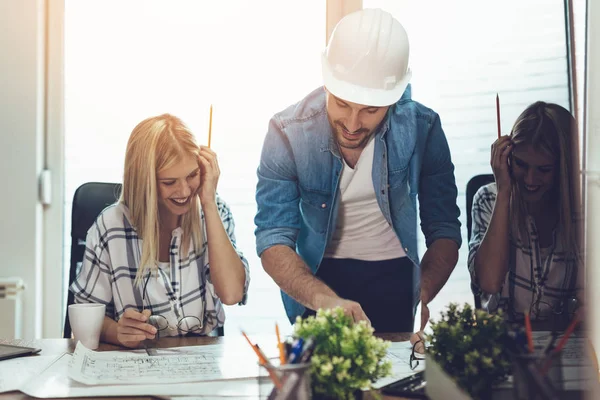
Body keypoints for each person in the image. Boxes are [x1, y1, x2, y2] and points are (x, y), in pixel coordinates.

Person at [254, 8, 461, 334]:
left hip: (398, 281)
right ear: (326, 83)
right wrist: (324, 301)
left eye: (370, 110)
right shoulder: (286, 133)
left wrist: (422, 295)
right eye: (342, 103)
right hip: (317, 284)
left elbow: (445, 231)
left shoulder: (424, 128)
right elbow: (273, 239)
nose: (352, 124)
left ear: (393, 99)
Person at [70, 114, 249, 348]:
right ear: (144, 181)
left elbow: (232, 294)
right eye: (169, 182)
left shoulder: (213, 211)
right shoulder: (110, 226)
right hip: (135, 364)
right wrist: (116, 331)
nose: (184, 190)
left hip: (199, 359)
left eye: (192, 175)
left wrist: (208, 202)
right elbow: (86, 318)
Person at [468, 101, 583, 323]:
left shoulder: (584, 207)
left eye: (544, 170)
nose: (530, 179)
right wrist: (504, 192)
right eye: (521, 164)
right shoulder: (488, 198)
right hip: (506, 342)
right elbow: (490, 282)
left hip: (566, 341)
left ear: (563, 168)